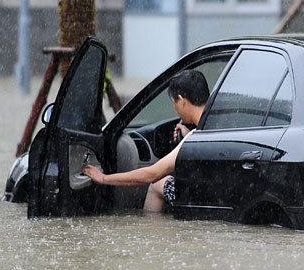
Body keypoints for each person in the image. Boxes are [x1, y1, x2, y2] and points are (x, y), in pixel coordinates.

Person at [82, 70, 210, 212]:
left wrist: (104, 178)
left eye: (174, 103)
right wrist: (186, 138)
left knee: (156, 184)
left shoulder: (194, 137)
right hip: (218, 196)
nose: (175, 109)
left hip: (203, 201)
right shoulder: (216, 123)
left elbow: (152, 174)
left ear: (182, 101)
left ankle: (154, 230)